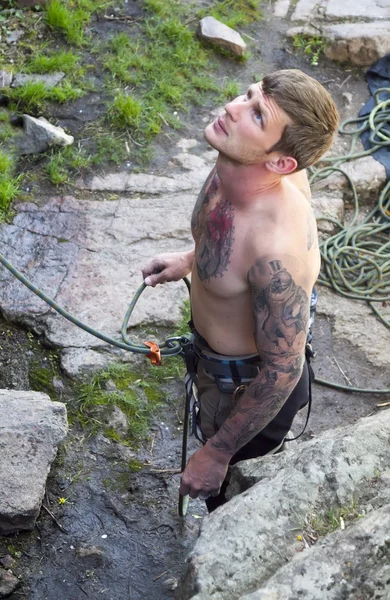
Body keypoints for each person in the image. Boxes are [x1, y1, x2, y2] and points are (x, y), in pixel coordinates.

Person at [141, 69, 340, 511]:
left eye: (255, 114)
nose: (231, 107)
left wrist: (218, 453)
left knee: (227, 504)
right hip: (217, 367)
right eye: (247, 95)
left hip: (246, 394)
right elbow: (228, 245)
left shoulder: (277, 253)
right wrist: (191, 260)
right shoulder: (236, 167)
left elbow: (282, 371)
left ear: (280, 163)